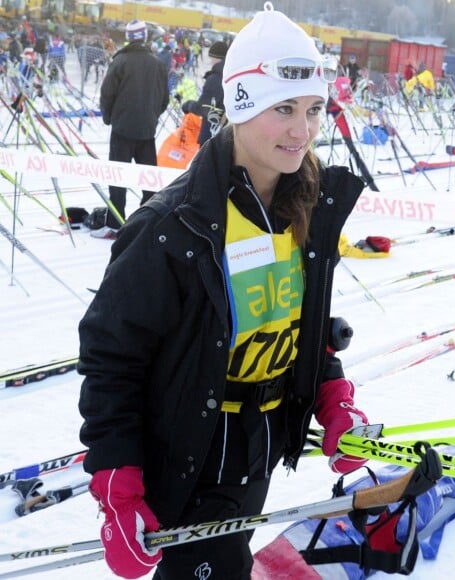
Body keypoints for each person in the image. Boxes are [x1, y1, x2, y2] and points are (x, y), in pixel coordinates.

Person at [77, 3, 369, 578]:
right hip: (192, 451)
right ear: (239, 105)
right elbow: (112, 358)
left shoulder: (304, 208)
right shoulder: (172, 226)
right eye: (282, 109)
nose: (301, 130)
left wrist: (332, 397)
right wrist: (117, 481)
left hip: (258, 451)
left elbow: (298, 325)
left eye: (313, 110)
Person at [95, 20, 169, 239]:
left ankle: (115, 223)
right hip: (147, 131)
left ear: (129, 37)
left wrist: (109, 118)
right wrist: (151, 116)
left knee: (118, 177)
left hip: (122, 130)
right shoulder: (157, 64)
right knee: (149, 179)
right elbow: (164, 98)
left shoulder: (121, 61)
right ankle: (147, 222)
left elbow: (107, 93)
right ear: (144, 37)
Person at [180, 40, 228, 145]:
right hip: (226, 136)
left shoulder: (215, 79)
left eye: (211, 57)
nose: (210, 61)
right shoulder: (231, 76)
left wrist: (188, 105)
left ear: (216, 57)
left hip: (211, 135)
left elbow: (204, 107)